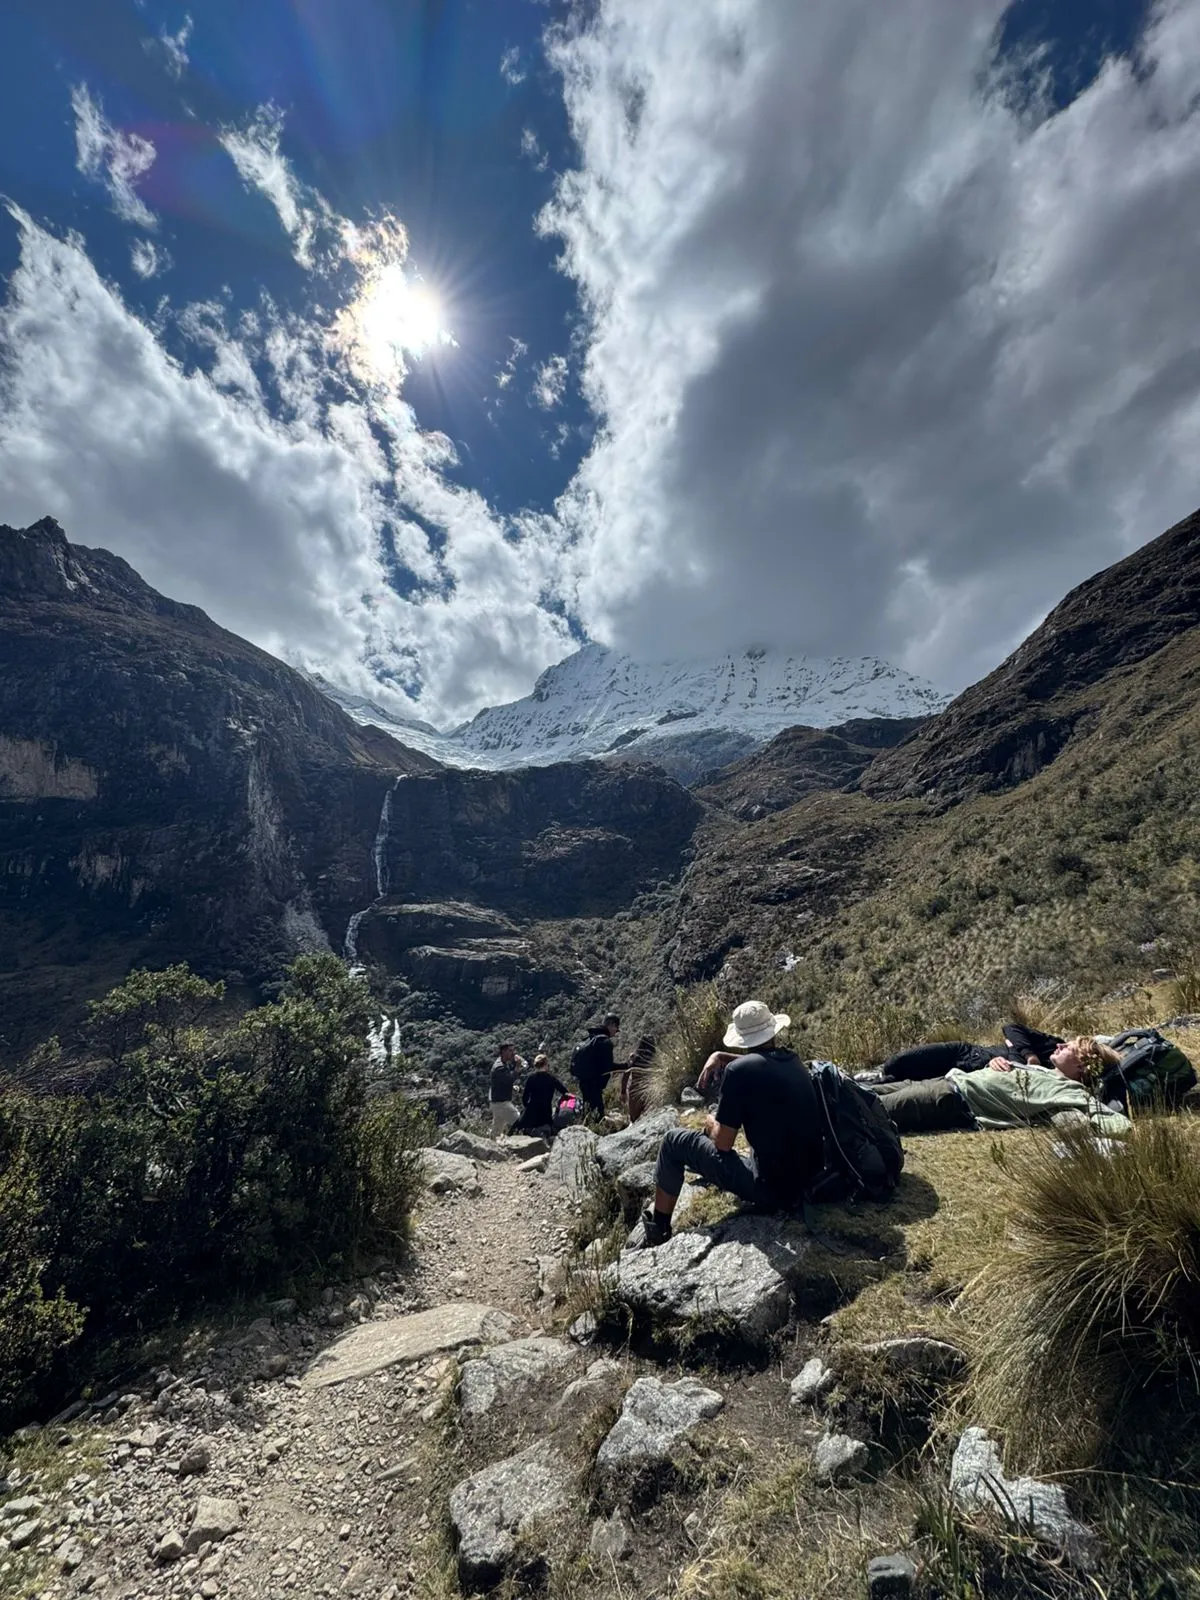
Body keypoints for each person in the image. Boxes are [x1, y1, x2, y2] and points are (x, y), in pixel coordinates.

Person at [635, 1000, 824, 1249]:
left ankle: (658, 1229)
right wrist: (721, 1056)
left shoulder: (738, 1072)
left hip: (774, 1191)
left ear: (743, 1038)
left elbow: (723, 1144)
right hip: (812, 1180)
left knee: (673, 1141)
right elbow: (763, 1063)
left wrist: (710, 1123)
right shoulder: (792, 1060)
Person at [870, 1035, 1130, 1137]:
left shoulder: (1069, 1092)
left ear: (1083, 1067)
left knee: (870, 1110)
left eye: (1068, 1048)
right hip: (946, 1080)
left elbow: (1116, 1123)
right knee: (862, 1092)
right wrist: (993, 1063)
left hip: (952, 1099)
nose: (1060, 1045)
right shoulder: (1043, 1071)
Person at [877, 1022, 1063, 1082]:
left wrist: (1014, 1050)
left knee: (909, 1082)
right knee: (896, 1063)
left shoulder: (1061, 1071)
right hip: (965, 1051)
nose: (1064, 1047)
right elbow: (1011, 1028)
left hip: (973, 1075)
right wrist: (1030, 1055)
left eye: (1074, 1048)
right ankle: (875, 1079)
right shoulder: (1054, 1045)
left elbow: (1018, 1075)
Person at [572, 1012, 620, 1120]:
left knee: (588, 1112)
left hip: (583, 1082)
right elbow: (608, 1066)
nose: (615, 1033)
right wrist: (626, 1065)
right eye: (616, 1029)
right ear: (612, 1025)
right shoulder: (605, 1042)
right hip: (594, 1084)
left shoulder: (591, 1038)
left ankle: (589, 1126)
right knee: (597, 1115)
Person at [514, 1054, 569, 1135]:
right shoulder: (551, 1078)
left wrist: (527, 1107)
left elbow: (525, 1098)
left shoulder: (531, 1078)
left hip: (531, 1115)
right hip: (545, 1115)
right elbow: (565, 1092)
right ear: (546, 1064)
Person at [489, 1041, 526, 1138]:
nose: (513, 1053)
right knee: (520, 1123)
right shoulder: (499, 1067)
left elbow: (502, 1082)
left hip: (496, 1102)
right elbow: (510, 1079)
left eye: (513, 1050)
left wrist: (511, 1087)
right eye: (510, 1051)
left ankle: (489, 1145)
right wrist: (518, 1066)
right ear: (503, 1051)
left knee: (496, 1131)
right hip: (502, 1103)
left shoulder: (502, 1063)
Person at [620, 1035, 657, 1124]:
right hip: (650, 1091)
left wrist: (623, 1091)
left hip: (635, 1091)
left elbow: (625, 1075)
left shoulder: (634, 1057)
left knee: (634, 1119)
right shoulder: (654, 1059)